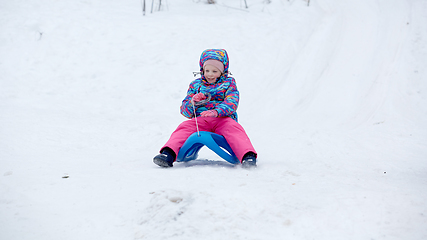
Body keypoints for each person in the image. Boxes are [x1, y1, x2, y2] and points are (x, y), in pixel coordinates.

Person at [153, 49, 257, 168]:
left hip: (223, 119)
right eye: (207, 70)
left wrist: (216, 112)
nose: (210, 74)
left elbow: (232, 102)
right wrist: (193, 102)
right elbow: (184, 111)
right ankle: (168, 153)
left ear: (223, 72)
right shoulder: (196, 85)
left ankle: (247, 155)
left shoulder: (229, 83)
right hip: (201, 121)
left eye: (214, 71)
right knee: (184, 127)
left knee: (234, 130)